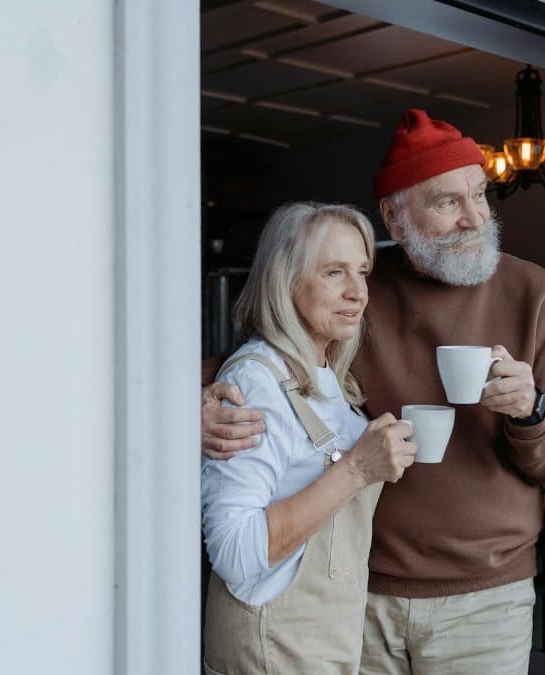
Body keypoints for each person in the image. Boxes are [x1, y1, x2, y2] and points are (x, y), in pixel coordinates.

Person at [203, 110, 545, 674]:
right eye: (446, 201)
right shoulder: (355, 288)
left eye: (479, 195)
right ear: (394, 216)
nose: (473, 217)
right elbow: (266, 352)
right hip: (357, 592)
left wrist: (529, 410)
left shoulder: (535, 294)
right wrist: (200, 399)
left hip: (484, 599)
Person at [201, 202, 417, 675]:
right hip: (273, 648)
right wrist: (357, 469)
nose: (357, 292)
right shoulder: (256, 383)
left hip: (320, 643)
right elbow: (238, 555)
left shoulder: (329, 379)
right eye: (334, 272)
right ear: (286, 280)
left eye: (362, 271)